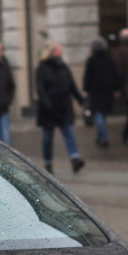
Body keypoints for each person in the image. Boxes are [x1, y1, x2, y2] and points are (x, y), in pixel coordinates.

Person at [34, 42, 86, 175]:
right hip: (49, 109)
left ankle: (75, 158)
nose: (61, 51)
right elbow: (40, 88)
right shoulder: (42, 68)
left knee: (68, 132)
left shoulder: (63, 67)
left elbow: (71, 86)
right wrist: (46, 103)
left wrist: (81, 101)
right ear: (53, 51)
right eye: (59, 49)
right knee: (47, 137)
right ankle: (48, 161)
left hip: (64, 107)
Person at [82, 38, 121, 148]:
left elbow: (87, 76)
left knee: (98, 114)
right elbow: (115, 75)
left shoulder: (91, 60)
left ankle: (104, 137)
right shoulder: (109, 59)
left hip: (95, 91)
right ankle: (100, 136)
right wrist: (116, 89)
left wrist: (85, 89)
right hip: (107, 91)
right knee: (102, 114)